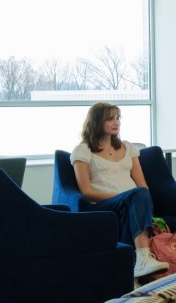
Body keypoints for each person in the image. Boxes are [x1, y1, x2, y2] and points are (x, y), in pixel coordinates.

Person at [72, 102, 170, 279]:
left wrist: (134, 200)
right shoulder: (83, 150)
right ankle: (142, 259)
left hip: (132, 202)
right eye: (110, 119)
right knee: (136, 197)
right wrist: (124, 197)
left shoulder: (128, 147)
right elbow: (86, 191)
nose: (116, 122)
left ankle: (130, 272)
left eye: (117, 118)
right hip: (103, 204)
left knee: (138, 196)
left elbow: (142, 185)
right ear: (96, 122)